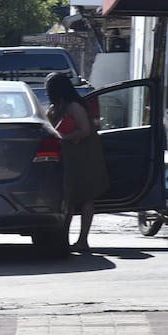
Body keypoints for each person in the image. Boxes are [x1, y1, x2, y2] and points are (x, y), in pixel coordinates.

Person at [44, 72, 110, 252]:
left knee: (86, 197)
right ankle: (63, 238)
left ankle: (83, 240)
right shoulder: (54, 107)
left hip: (84, 155)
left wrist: (64, 137)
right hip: (67, 156)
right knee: (69, 198)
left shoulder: (74, 106)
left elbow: (85, 130)